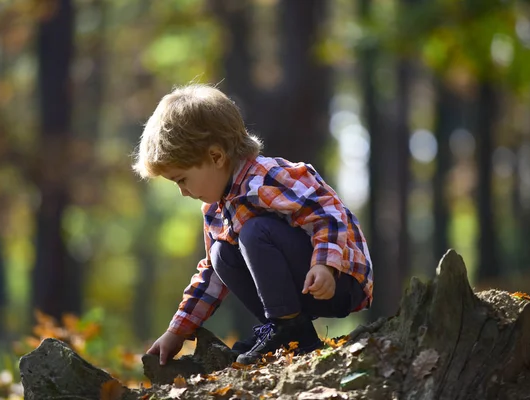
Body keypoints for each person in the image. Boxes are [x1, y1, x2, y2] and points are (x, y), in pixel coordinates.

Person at [132, 84, 373, 366]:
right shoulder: (215, 209)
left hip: (339, 278)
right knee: (220, 255)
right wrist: (177, 330)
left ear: (216, 156)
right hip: (304, 288)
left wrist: (326, 264)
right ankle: (291, 332)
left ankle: (286, 325)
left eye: (182, 179)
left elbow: (328, 213)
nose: (182, 191)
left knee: (254, 232)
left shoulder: (266, 177)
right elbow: (211, 276)